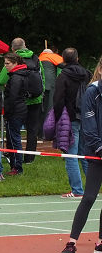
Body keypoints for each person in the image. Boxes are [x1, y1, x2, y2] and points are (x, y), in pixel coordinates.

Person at [59, 56, 102, 253]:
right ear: (100, 69)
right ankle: (71, 243)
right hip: (97, 153)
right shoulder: (92, 91)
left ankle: (100, 241)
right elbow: (89, 125)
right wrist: (99, 148)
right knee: (89, 197)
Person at [0, 37, 43, 165]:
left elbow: (1, 79)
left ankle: (13, 155)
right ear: (25, 45)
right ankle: (29, 158)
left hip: (18, 101)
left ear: (12, 48)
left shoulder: (12, 60)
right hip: (36, 99)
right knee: (32, 130)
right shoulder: (36, 58)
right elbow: (42, 78)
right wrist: (39, 94)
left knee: (13, 129)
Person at [52, 47, 90, 198]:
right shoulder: (87, 74)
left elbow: (58, 99)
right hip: (86, 117)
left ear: (63, 59)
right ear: (77, 58)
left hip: (70, 117)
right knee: (84, 154)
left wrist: (57, 117)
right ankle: (92, 188)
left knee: (70, 154)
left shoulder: (63, 76)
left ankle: (77, 190)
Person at [2, 51, 30, 175]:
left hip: (15, 111)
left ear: (15, 63)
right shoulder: (21, 75)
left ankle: (17, 167)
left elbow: (12, 97)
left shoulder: (16, 78)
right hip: (20, 109)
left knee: (14, 139)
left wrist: (7, 112)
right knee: (13, 138)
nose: (5, 66)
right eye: (5, 63)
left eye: (7, 63)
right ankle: (15, 165)